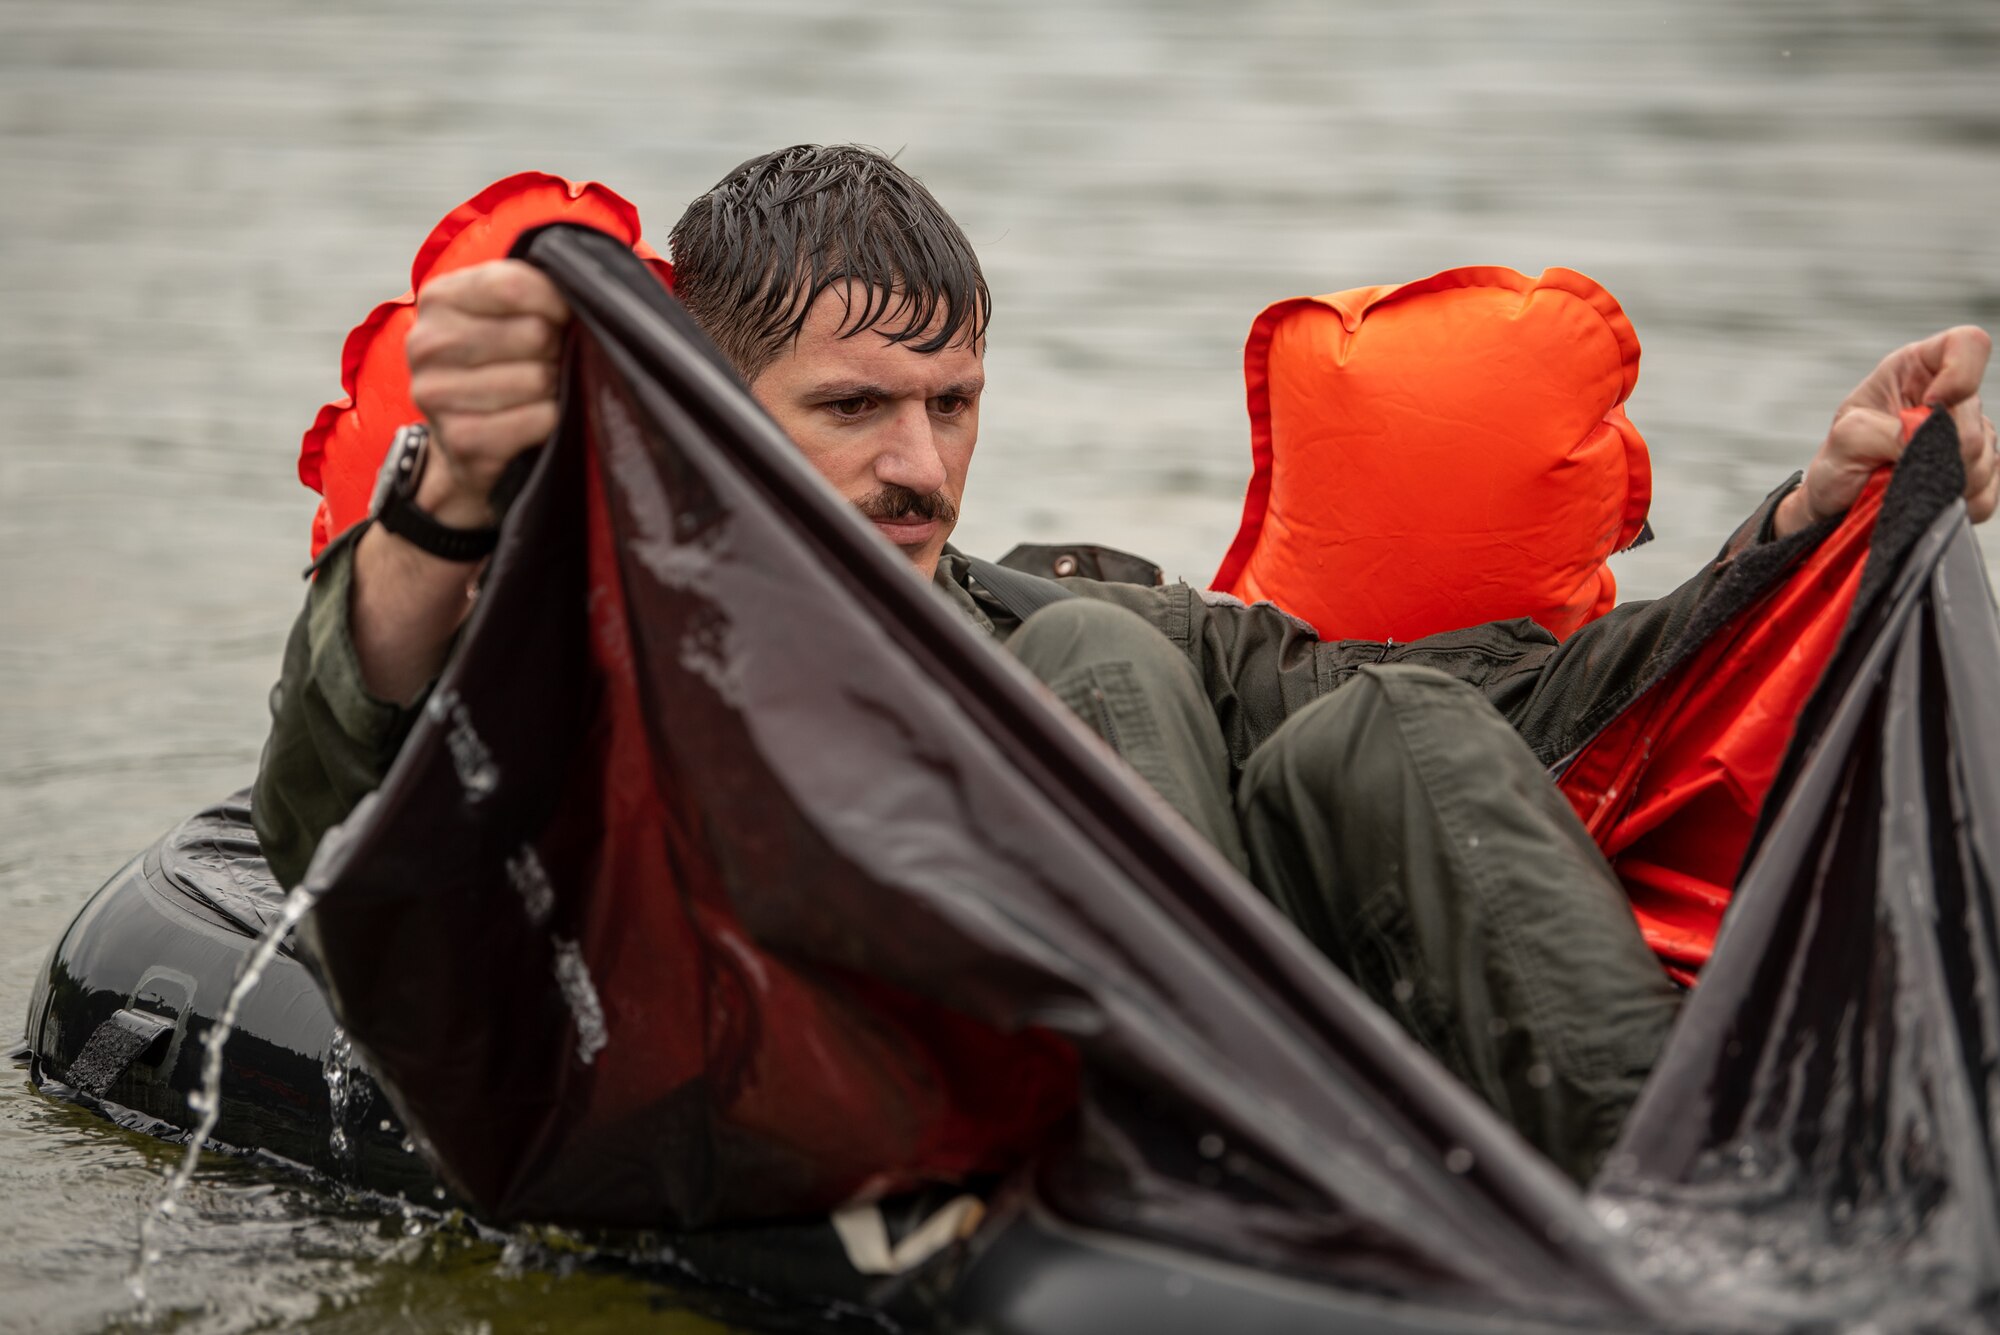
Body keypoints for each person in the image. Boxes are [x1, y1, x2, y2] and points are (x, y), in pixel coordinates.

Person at [254, 143, 1997, 1183]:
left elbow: (1525, 716)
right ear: (711, 417)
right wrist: (458, 499)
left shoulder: (1069, 616)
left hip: (1294, 1101)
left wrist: (1808, 524)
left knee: (1372, 720)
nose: (923, 469)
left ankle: (1683, 1198)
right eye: (853, 411)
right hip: (905, 1096)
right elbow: (342, 816)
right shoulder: (593, 668)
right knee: (1097, 652)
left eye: (953, 406)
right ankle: (1205, 1178)